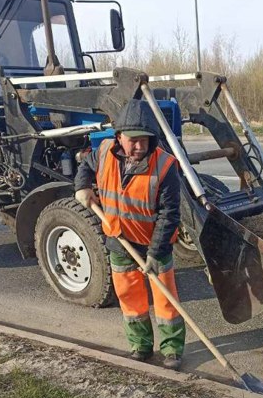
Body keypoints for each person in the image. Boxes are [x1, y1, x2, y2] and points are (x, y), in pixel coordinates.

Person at [74, 100, 186, 370]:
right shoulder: (103, 153)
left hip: (154, 242)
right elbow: (85, 168)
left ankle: (172, 350)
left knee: (166, 299)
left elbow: (169, 215)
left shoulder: (165, 167)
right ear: (119, 137)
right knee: (130, 297)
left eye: (144, 140)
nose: (138, 146)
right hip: (118, 240)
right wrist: (83, 187)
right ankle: (141, 346)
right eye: (132, 140)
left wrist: (154, 253)